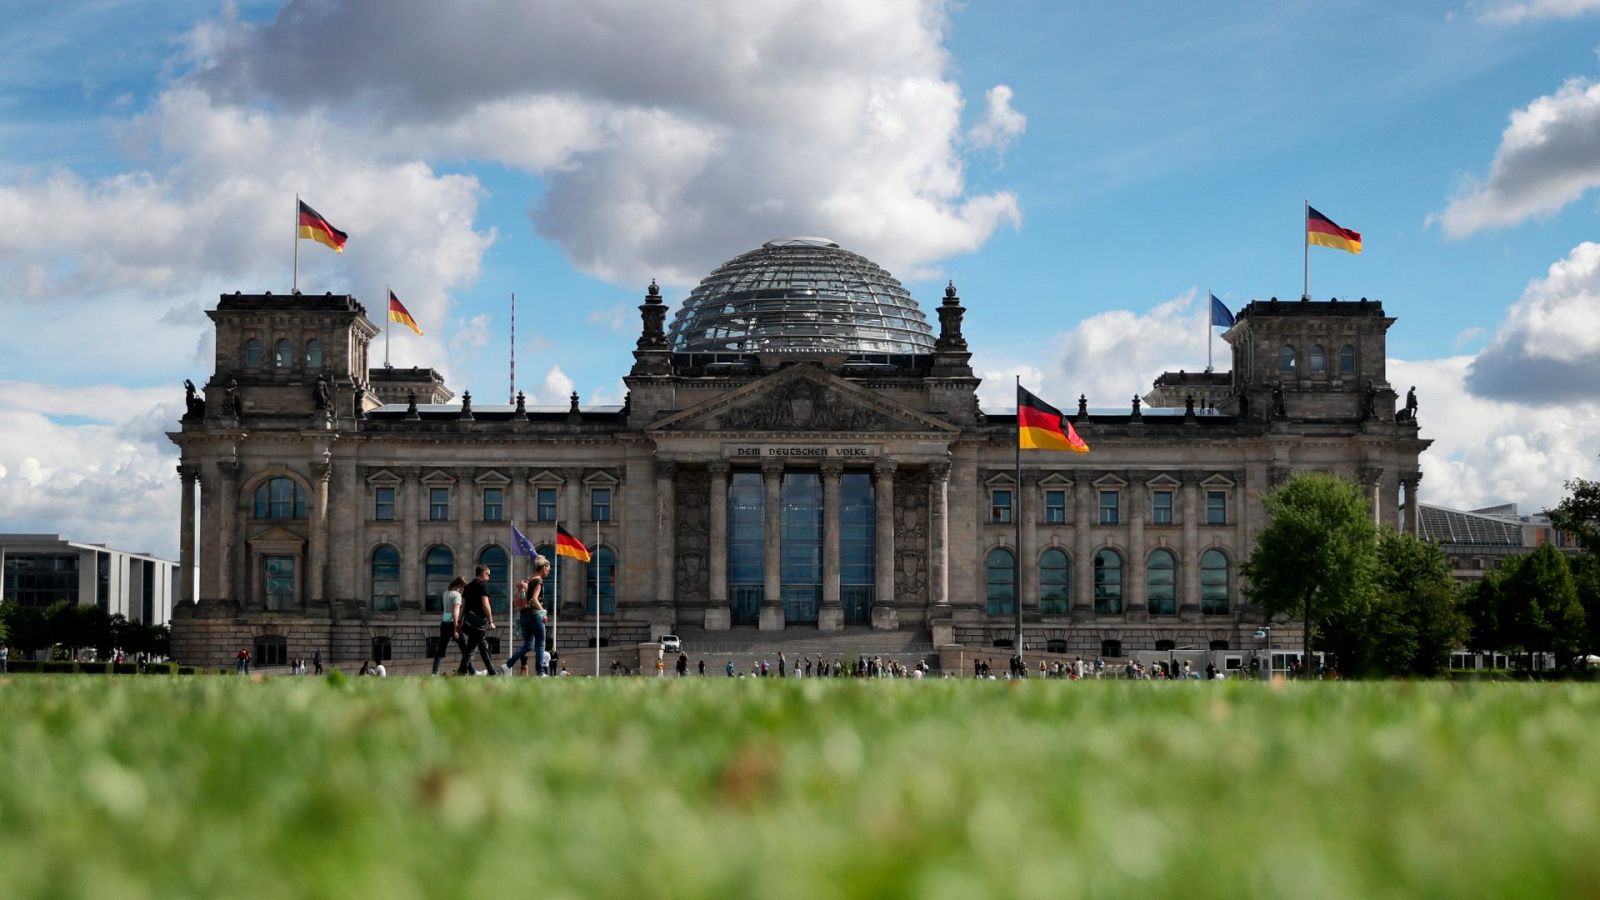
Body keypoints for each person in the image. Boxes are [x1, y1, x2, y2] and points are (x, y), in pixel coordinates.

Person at [505, 557, 551, 675]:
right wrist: (543, 613)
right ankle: (540, 673)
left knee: (528, 645)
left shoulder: (529, 579)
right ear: (544, 567)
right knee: (540, 643)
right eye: (548, 569)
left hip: (523, 615)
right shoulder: (538, 581)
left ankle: (507, 666)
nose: (549, 572)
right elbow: (535, 599)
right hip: (535, 615)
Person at [456, 564, 498, 676]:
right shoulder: (482, 585)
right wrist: (491, 621)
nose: (489, 577)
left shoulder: (468, 587)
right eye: (488, 574)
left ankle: (492, 672)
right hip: (478, 623)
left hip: (468, 622)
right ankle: (461, 671)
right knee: (470, 649)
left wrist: (459, 621)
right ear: (483, 574)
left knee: (483, 646)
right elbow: (485, 604)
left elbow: (463, 606)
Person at [435, 576, 469, 675]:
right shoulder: (457, 595)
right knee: (465, 650)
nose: (463, 590)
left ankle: (435, 671)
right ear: (459, 585)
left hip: (444, 622)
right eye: (463, 587)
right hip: (453, 624)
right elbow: (455, 612)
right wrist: (456, 629)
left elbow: (447, 611)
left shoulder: (445, 593)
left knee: (441, 650)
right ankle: (471, 671)